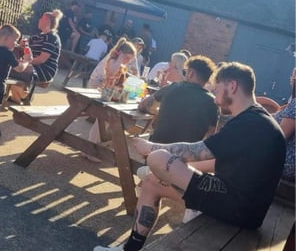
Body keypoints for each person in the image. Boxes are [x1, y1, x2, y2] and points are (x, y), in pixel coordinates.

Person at [94, 62, 286, 251]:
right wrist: (175, 170)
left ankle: (194, 205)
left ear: (232, 86)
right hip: (244, 206)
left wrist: (151, 147)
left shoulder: (249, 123)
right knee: (152, 181)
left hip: (236, 209)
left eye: (218, 91)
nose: (216, 99)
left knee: (158, 158)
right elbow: (214, 162)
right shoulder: (258, 120)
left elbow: (198, 151)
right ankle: (130, 249)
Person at [138, 55, 218, 143]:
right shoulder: (213, 102)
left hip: (157, 147)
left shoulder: (172, 88)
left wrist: (158, 112)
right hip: (186, 154)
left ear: (191, 73)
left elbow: (142, 106)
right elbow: (210, 135)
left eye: (185, 72)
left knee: (137, 139)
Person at [8, 9, 63, 104]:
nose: (39, 20)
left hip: (45, 69)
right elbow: (24, 47)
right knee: (13, 63)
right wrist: (22, 45)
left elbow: (42, 59)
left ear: (47, 22)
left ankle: (23, 94)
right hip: (31, 65)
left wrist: (25, 62)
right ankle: (19, 95)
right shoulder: (38, 36)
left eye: (42, 18)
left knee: (17, 67)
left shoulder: (52, 38)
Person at [273, 67, 295, 181]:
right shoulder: (291, 104)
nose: (291, 81)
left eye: (292, 78)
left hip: (288, 165)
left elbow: (279, 138)